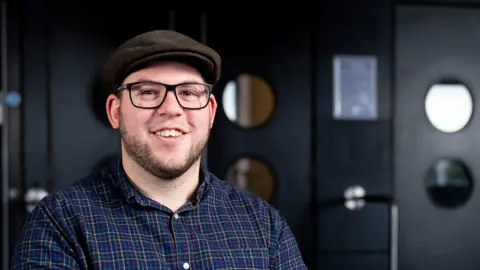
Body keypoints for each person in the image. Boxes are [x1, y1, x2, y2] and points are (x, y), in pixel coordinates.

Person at [11, 30, 307, 269]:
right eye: (148, 92)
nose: (171, 109)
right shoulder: (62, 222)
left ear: (211, 113)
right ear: (115, 112)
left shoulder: (263, 224)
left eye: (189, 93)